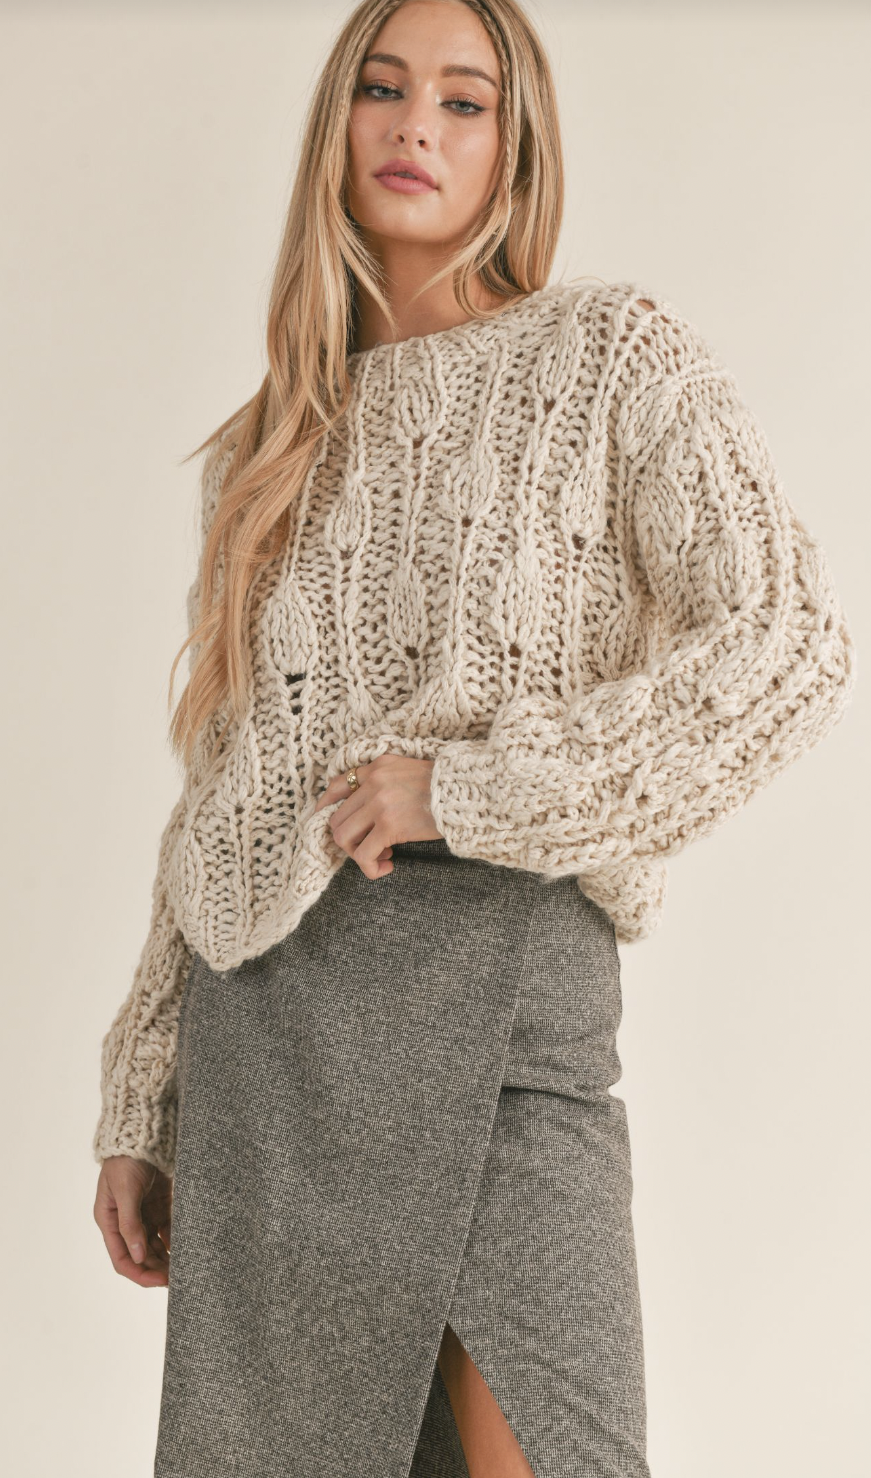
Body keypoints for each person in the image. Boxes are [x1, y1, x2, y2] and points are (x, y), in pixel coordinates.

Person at [91, 2, 857, 1475]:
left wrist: (471, 788)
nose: (414, 127)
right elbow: (223, 789)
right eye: (382, 90)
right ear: (337, 124)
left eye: (463, 100)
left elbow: (786, 644)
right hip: (272, 1044)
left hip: (504, 1007)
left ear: (518, 144)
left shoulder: (610, 357)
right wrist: (144, 1084)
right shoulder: (265, 448)